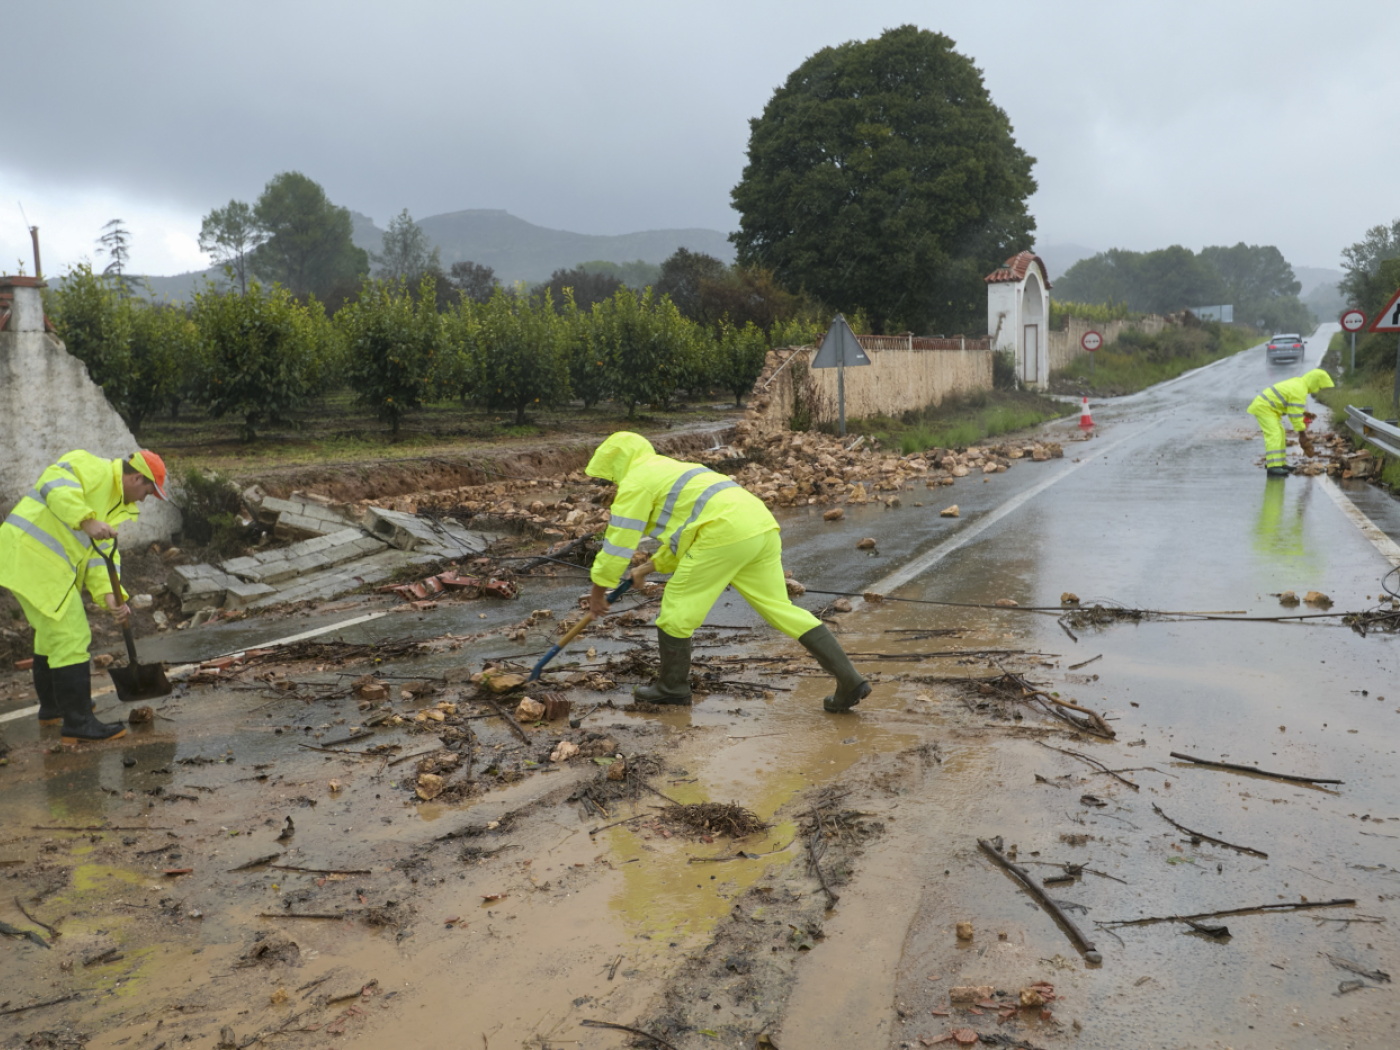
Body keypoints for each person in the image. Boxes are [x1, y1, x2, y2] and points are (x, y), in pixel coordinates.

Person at [584, 431, 870, 712]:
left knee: (676, 610)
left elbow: (617, 545)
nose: (612, 481)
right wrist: (647, 567)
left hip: (723, 533)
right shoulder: (673, 469)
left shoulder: (635, 483)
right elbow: (685, 534)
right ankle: (850, 680)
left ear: (616, 464)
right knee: (780, 608)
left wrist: (598, 591)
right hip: (759, 526)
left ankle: (671, 688)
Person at [0, 450, 169, 743]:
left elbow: (99, 555)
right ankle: (78, 723)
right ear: (136, 478)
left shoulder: (115, 504)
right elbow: (52, 484)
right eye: (147, 491)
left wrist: (110, 595)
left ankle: (54, 708)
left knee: (51, 636)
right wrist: (85, 520)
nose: (145, 499)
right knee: (72, 635)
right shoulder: (91, 467)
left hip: (37, 562)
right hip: (30, 557)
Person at [1246, 369, 1333, 477]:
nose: (1318, 390)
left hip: (1268, 409)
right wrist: (1302, 435)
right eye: (1319, 387)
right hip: (1264, 408)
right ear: (1315, 382)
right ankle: (1273, 467)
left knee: (1280, 433)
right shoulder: (1299, 389)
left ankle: (1279, 464)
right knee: (1274, 434)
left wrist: (1304, 413)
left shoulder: (1299, 384)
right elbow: (1295, 414)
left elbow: (1292, 406)